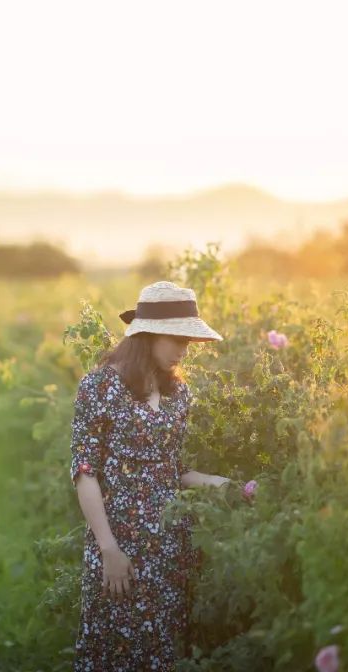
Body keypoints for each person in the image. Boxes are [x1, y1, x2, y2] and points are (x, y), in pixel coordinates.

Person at [70, 280, 230, 671]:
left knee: (162, 651)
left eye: (187, 341)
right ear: (147, 335)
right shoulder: (99, 386)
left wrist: (216, 483)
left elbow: (169, 469)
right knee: (113, 646)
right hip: (118, 542)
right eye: (175, 338)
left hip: (171, 545)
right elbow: (84, 472)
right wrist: (108, 549)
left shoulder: (178, 394)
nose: (182, 349)